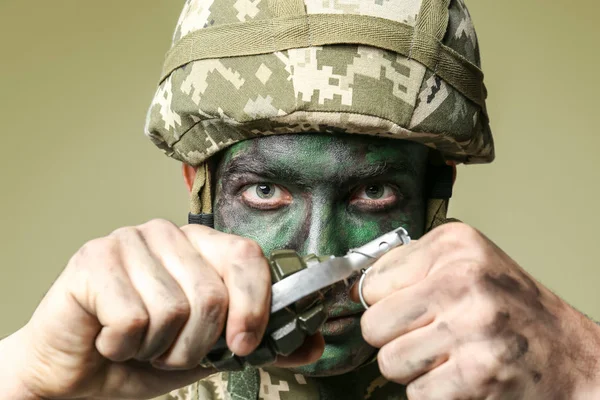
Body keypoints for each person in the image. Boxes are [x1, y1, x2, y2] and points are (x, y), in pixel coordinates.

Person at [2, 0, 599, 399]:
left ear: (436, 195)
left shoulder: (531, 372)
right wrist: (30, 377)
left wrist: (582, 370)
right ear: (198, 187)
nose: (321, 257)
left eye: (372, 191)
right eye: (265, 191)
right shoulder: (109, 378)